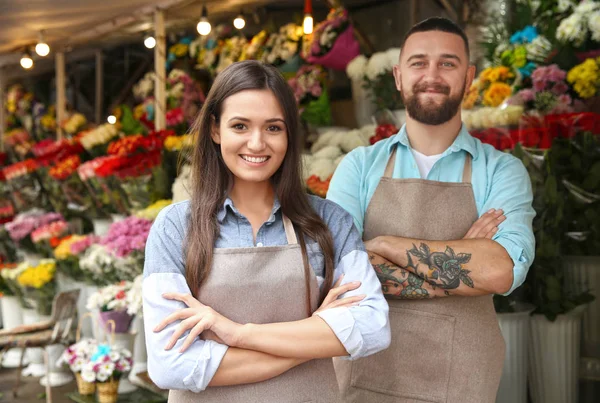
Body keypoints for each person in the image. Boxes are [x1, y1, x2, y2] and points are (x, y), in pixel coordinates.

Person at [142, 60, 390, 403]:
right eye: (240, 126)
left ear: (290, 133)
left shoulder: (329, 222)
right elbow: (171, 365)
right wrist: (314, 334)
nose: (257, 143)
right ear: (215, 130)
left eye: (273, 128)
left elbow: (373, 327)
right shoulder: (175, 228)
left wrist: (237, 335)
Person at [326, 17, 535, 403]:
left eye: (448, 63)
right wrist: (459, 261)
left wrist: (383, 244)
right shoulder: (359, 166)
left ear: (469, 76)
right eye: (419, 62)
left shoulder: (502, 170)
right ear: (398, 76)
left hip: (462, 378)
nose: (432, 75)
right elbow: (341, 274)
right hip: (365, 375)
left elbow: (499, 270)